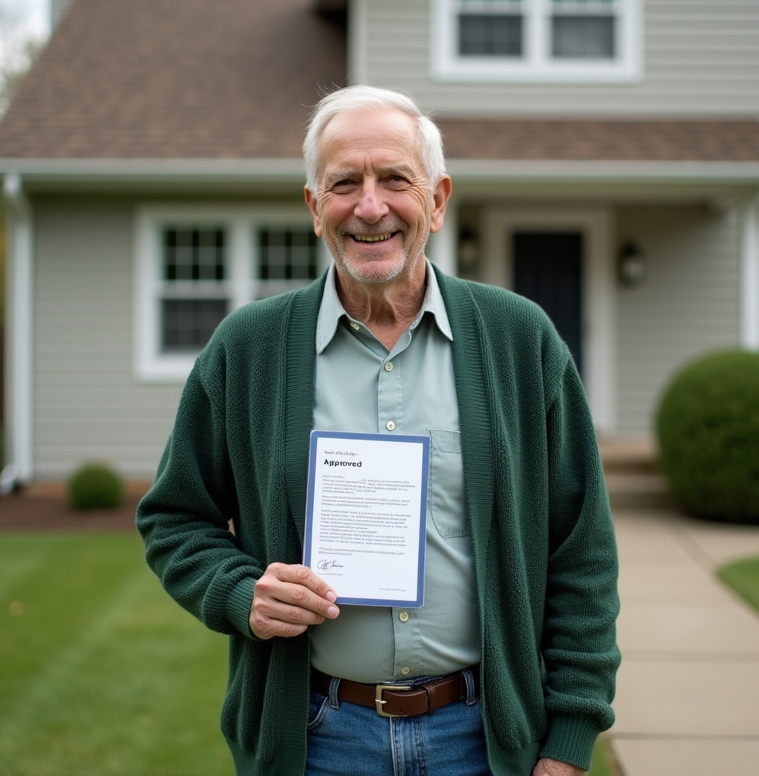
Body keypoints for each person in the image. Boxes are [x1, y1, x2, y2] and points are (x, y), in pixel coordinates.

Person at [137, 85, 619, 776]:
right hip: (315, 740)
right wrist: (243, 593)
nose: (370, 206)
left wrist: (569, 737)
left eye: (395, 179)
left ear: (437, 200)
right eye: (344, 183)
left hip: (481, 740)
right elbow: (175, 517)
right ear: (313, 207)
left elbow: (582, 553)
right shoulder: (248, 348)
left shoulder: (521, 341)